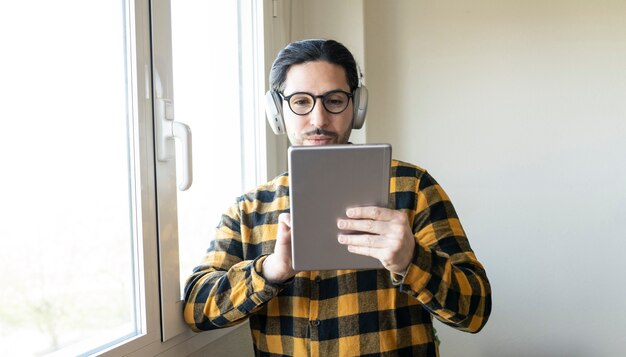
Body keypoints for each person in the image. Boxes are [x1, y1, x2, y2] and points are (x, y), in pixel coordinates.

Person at [184, 39, 491, 356]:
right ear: (276, 111)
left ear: (357, 107)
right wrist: (271, 270)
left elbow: (475, 311)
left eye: (334, 100)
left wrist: (410, 259)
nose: (318, 120)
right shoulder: (249, 210)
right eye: (301, 102)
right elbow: (197, 308)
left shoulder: (413, 188)